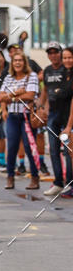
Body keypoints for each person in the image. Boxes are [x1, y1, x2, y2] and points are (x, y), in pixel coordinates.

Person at [0, 51, 40, 190]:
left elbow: (30, 95)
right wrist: (17, 93)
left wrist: (10, 97)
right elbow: (1, 97)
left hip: (27, 117)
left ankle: (35, 177)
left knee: (29, 147)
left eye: (20, 60)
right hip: (12, 116)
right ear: (12, 63)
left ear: (24, 62)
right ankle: (10, 177)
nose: (17, 63)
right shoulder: (9, 78)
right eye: (15, 60)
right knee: (11, 147)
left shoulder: (31, 76)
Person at [39, 42, 73, 197]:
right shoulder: (47, 71)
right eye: (50, 52)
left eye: (56, 52)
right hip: (53, 114)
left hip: (67, 115)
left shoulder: (67, 71)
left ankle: (69, 183)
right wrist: (42, 109)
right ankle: (58, 182)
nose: (53, 55)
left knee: (68, 150)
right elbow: (45, 91)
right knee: (53, 149)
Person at [60, 45, 73, 198]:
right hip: (65, 119)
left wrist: (69, 126)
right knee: (69, 154)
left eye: (70, 57)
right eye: (65, 58)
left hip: (70, 121)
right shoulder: (66, 74)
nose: (67, 60)